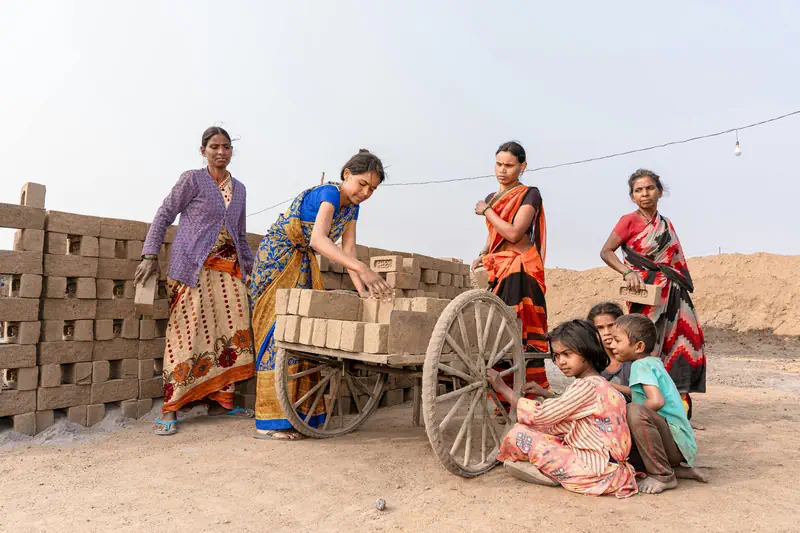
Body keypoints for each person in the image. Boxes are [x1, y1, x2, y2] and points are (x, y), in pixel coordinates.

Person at [248, 149, 393, 440]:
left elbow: (348, 250)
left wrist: (364, 292)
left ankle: (299, 417)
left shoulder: (353, 208)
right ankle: (269, 421)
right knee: (279, 332)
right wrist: (362, 269)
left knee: (303, 333)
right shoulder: (328, 193)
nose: (365, 192)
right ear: (346, 175)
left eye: (372, 189)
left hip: (303, 262)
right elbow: (319, 239)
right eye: (362, 184)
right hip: (277, 260)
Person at [136, 126, 255, 436]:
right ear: (203, 150)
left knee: (232, 330)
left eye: (226, 147)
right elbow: (164, 213)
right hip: (192, 267)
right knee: (185, 334)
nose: (221, 152)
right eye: (214, 146)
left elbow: (240, 235)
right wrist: (149, 255)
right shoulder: (192, 179)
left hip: (229, 270)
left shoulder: (239, 189)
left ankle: (222, 401)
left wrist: (251, 271)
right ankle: (170, 408)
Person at [599, 168, 706, 419]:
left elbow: (675, 261)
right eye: (638, 190)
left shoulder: (666, 224)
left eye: (649, 188)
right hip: (644, 293)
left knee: (677, 344)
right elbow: (606, 251)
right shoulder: (628, 220)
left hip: (673, 293)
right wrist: (627, 272)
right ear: (632, 196)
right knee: (643, 343)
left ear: (659, 191)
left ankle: (676, 401)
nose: (644, 194)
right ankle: (642, 398)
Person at [488, 319, 637, 498]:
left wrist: (503, 388)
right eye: (557, 356)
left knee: (521, 433)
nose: (561, 362)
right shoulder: (601, 384)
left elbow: (541, 415)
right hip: (609, 466)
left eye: (567, 354)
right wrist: (544, 393)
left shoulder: (586, 386)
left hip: (595, 471)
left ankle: (555, 474)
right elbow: (567, 410)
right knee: (547, 429)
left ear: (586, 350)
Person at [473, 141, 550, 401]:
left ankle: (529, 398)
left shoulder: (530, 193)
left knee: (524, 331)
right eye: (498, 164)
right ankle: (503, 400)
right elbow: (494, 234)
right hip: (500, 266)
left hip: (522, 266)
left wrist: (487, 210)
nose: (502, 170)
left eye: (509, 165)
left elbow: (515, 232)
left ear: (522, 166)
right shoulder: (494, 198)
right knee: (499, 332)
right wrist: (483, 254)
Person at [610, 314, 708, 494]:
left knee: (634, 411)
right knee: (636, 409)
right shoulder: (651, 362)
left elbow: (656, 401)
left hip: (675, 444)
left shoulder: (640, 366)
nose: (612, 345)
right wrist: (610, 386)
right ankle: (678, 470)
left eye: (617, 340)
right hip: (680, 445)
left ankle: (663, 475)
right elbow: (639, 393)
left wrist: (625, 420)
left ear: (638, 346)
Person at [588, 301, 631, 400]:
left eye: (611, 325)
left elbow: (645, 394)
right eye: (600, 328)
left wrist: (607, 385)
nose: (606, 332)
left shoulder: (634, 358)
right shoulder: (591, 363)